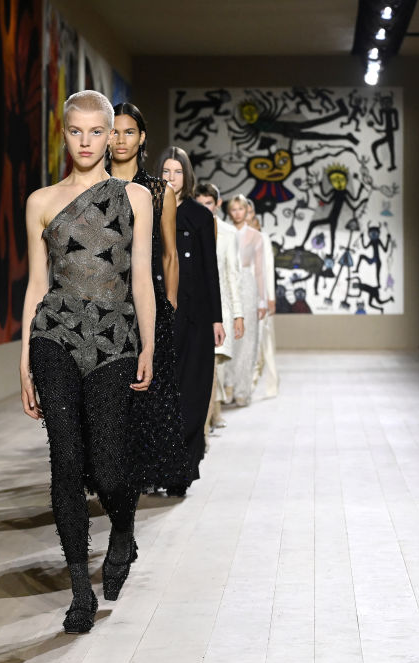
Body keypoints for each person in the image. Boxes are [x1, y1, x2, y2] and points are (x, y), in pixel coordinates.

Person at [20, 91, 156, 634]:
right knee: (65, 460)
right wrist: (24, 359)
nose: (86, 141)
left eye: (96, 131)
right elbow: (36, 285)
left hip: (115, 338)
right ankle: (80, 589)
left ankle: (122, 528)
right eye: (75, 131)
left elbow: (141, 278)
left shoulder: (136, 198)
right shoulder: (41, 201)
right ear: (64, 133)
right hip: (54, 334)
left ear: (110, 135)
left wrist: (149, 345)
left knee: (109, 467)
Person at [108, 102, 189, 493]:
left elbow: (170, 254)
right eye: (114, 131)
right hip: (102, 301)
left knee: (151, 389)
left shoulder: (160, 191)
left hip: (148, 300)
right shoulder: (90, 188)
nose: (121, 140)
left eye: (129, 132)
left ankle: (150, 471)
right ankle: (112, 469)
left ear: (141, 138)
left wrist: (169, 302)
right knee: (109, 388)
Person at [158, 146, 224, 493]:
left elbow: (210, 269)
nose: (171, 178)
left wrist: (217, 318)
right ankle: (157, 467)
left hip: (195, 313)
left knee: (193, 392)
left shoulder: (199, 215)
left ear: (187, 175)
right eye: (166, 171)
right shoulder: (149, 207)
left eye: (177, 171)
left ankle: (182, 470)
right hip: (158, 311)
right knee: (160, 392)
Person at [195, 182, 244, 436]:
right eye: (200, 204)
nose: (204, 209)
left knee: (212, 367)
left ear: (217, 204)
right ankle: (210, 416)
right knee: (201, 368)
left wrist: (238, 313)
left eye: (209, 204)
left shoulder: (228, 233)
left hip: (219, 309)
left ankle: (204, 430)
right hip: (193, 308)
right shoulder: (186, 226)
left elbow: (232, 275)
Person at [225, 194, 266, 406]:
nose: (238, 213)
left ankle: (243, 390)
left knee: (247, 340)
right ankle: (228, 387)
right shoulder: (223, 232)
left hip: (248, 286)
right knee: (229, 338)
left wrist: (262, 301)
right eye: (234, 209)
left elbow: (260, 269)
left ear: (246, 211)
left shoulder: (255, 236)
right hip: (227, 285)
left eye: (241, 209)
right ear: (229, 212)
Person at [251, 200, 279, 399]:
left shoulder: (262, 239)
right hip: (246, 296)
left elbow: (268, 268)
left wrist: (271, 298)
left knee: (266, 343)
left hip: (261, 296)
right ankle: (249, 383)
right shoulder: (237, 237)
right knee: (251, 343)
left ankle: (271, 385)